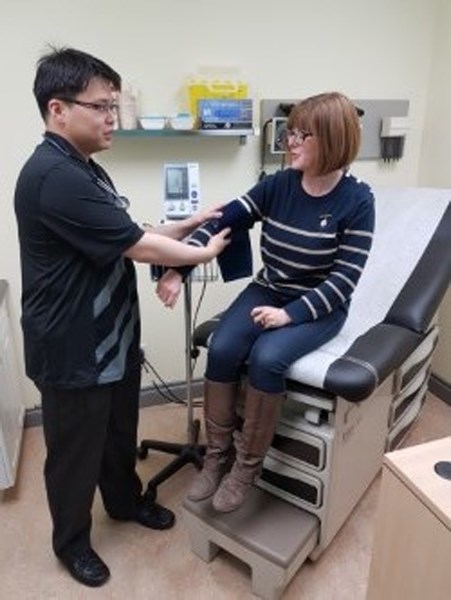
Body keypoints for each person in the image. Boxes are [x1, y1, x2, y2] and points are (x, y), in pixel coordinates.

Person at [14, 47, 230, 588]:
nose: (114, 118)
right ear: (58, 109)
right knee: (73, 456)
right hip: (72, 346)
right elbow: (135, 246)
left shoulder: (87, 170)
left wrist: (186, 225)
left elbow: (128, 232)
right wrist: (202, 253)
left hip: (110, 336)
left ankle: (124, 502)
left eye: (115, 105)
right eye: (102, 107)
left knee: (117, 433)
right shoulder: (52, 177)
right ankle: (72, 543)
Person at [156, 92, 375, 513]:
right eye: (289, 132)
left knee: (267, 358)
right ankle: (217, 457)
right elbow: (225, 220)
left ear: (330, 138)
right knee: (221, 346)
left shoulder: (357, 201)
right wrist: (176, 269)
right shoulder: (279, 185)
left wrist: (288, 315)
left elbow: (345, 279)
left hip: (319, 304)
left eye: (301, 135)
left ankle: (245, 468)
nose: (289, 142)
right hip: (269, 287)